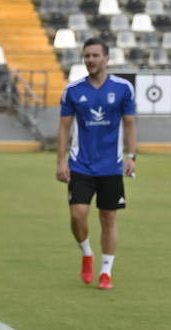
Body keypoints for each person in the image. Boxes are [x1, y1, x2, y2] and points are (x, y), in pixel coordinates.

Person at [56, 37, 137, 291]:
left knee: (108, 217)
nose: (90, 60)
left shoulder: (124, 88)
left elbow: (130, 124)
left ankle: (106, 271)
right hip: (80, 164)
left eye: (95, 55)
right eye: (87, 56)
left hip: (111, 166)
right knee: (77, 215)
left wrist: (131, 156)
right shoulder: (73, 90)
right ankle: (86, 252)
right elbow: (64, 127)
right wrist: (61, 161)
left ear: (106, 59)